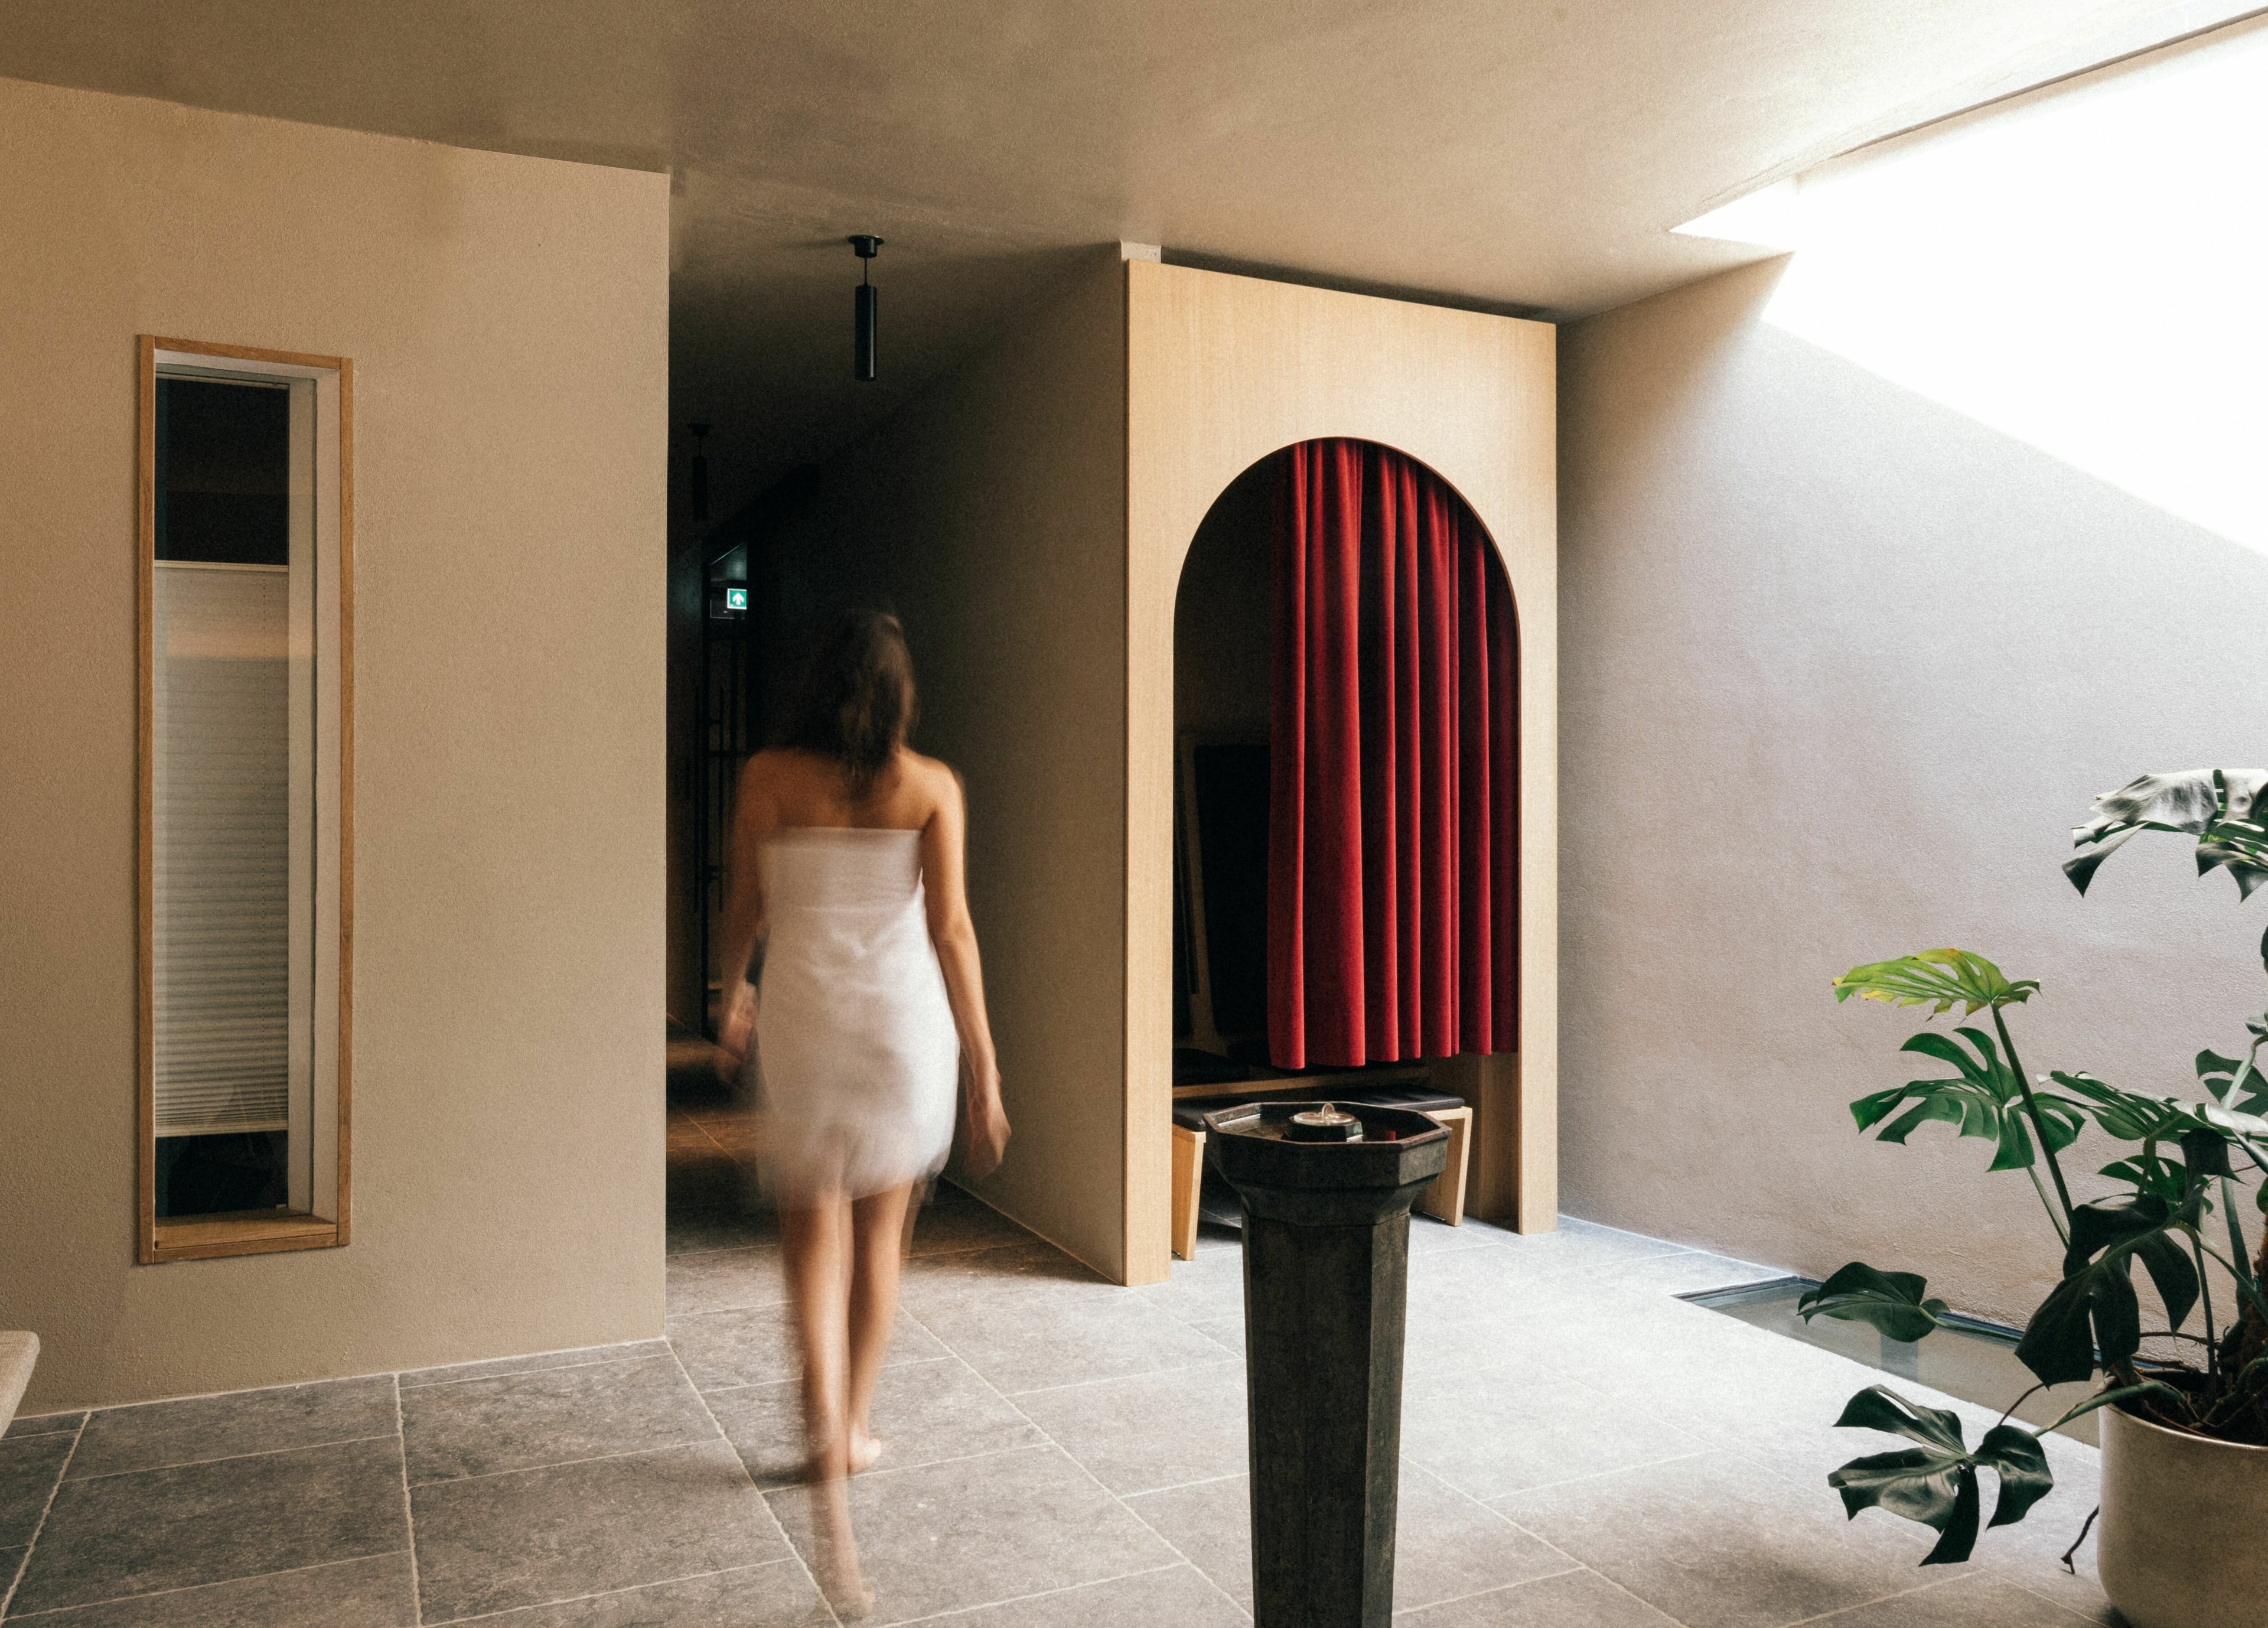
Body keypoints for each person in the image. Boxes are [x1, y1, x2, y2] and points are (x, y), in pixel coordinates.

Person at [714, 608, 1009, 1617]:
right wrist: (986, 1065)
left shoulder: (765, 777)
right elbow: (955, 930)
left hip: (807, 1026)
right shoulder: (931, 788)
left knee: (811, 1245)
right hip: (898, 1032)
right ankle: (852, 1429)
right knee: (882, 1238)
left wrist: (730, 993)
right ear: (901, 695)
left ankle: (821, 1446)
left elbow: (745, 911)